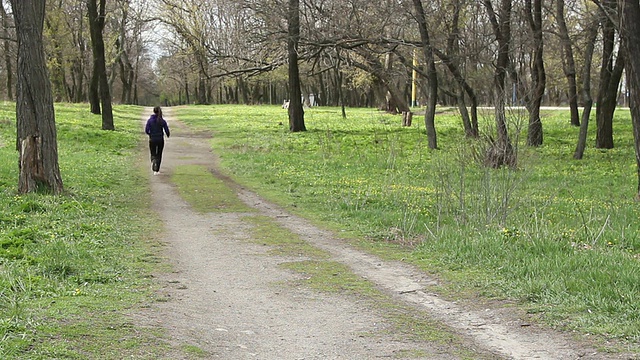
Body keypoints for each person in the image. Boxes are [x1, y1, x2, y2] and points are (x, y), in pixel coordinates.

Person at [145, 106, 170, 175]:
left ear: (153, 111)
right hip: (160, 139)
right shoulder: (162, 120)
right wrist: (167, 134)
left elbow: (146, 130)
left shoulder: (150, 120)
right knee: (159, 153)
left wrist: (150, 134)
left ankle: (153, 160)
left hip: (152, 139)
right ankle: (157, 170)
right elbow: (166, 129)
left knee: (153, 152)